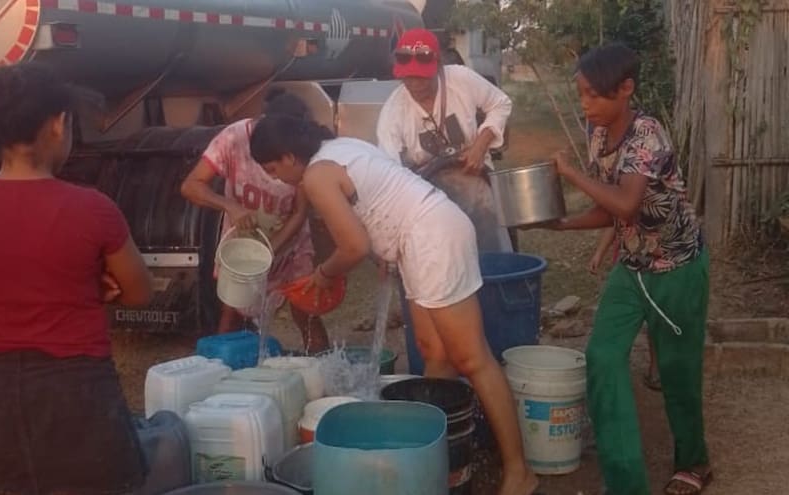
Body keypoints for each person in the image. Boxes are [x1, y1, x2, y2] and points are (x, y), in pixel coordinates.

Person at [248, 114, 540, 495]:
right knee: (434, 352)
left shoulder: (316, 175)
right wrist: (383, 251)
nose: (275, 177)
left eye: (272, 168)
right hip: (422, 239)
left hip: (433, 237)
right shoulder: (341, 149)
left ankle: (519, 472)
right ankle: (428, 451)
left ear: (288, 156)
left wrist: (323, 274)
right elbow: (379, 203)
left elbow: (353, 246)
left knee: (472, 358)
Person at [0, 62, 153, 494]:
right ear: (59, 125)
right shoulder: (93, 209)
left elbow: (4, 283)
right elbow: (139, 292)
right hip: (77, 392)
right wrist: (93, 284)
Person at [537, 43, 711, 495]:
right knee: (603, 357)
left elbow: (628, 203)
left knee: (676, 370)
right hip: (632, 266)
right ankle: (624, 482)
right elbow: (613, 212)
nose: (585, 104)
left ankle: (694, 461)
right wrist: (565, 224)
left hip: (677, 267)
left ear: (626, 89)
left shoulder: (647, 135)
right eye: (581, 94)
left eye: (594, 95)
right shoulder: (599, 136)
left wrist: (571, 174)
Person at [180, 90, 329, 353]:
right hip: (242, 247)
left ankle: (324, 377)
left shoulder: (301, 153)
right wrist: (230, 206)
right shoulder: (233, 139)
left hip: (290, 245)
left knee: (306, 314)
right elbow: (190, 186)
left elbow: (299, 212)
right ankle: (224, 376)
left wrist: (271, 249)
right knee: (233, 313)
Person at [376, 27, 515, 253]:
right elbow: (387, 172)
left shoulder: (460, 78)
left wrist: (480, 146)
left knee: (485, 218)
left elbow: (501, 104)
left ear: (438, 65)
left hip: (475, 177)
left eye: (422, 76)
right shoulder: (393, 111)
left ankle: (496, 273)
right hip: (424, 189)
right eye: (408, 77)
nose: (415, 85)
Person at [590, 228, 661, 391]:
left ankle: (655, 371)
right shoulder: (624, 207)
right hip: (629, 266)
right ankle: (617, 370)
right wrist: (599, 253)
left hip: (659, 267)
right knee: (621, 323)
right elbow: (612, 223)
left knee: (656, 320)